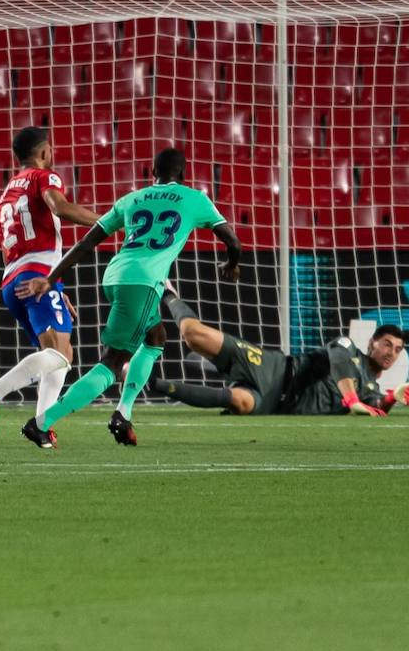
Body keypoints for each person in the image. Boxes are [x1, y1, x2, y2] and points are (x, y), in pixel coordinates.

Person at [16, 148, 241, 448]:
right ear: (183, 175)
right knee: (113, 361)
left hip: (116, 276)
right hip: (143, 283)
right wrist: (232, 263)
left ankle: (123, 413)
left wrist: (52, 277)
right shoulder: (195, 198)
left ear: (152, 174)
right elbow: (232, 240)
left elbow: (87, 242)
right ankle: (41, 423)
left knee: (156, 336)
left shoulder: (132, 199)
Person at [0, 127, 102, 444]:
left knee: (60, 352)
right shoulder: (45, 177)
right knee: (59, 355)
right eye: (50, 150)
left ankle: (42, 425)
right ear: (43, 153)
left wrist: (54, 285)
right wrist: (110, 220)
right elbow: (60, 207)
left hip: (14, 279)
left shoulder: (8, 191)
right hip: (36, 275)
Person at [150, 286, 409, 417]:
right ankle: (166, 291)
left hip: (275, 403)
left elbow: (376, 408)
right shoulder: (348, 349)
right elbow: (338, 365)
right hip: (273, 369)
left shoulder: (369, 390)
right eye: (386, 344)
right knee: (194, 336)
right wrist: (351, 401)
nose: (390, 353)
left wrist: (393, 397)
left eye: (397, 349)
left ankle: (150, 382)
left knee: (239, 402)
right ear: (372, 342)